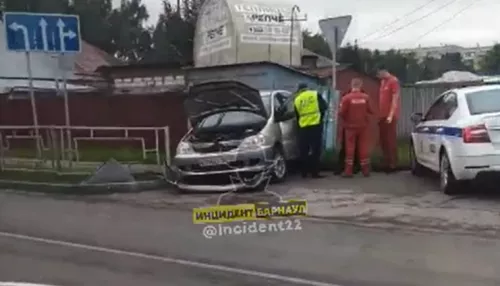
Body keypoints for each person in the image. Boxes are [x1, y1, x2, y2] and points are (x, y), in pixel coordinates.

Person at [338, 78, 374, 177]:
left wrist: (346, 119)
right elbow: (371, 110)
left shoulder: (346, 98)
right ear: (361, 85)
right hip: (363, 126)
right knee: (363, 148)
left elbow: (341, 112)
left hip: (350, 127)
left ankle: (348, 171)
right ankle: (366, 170)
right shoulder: (366, 97)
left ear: (351, 85)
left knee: (350, 149)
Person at [293, 83, 328, 178]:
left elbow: (296, 115)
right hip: (316, 125)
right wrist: (320, 119)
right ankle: (315, 173)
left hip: (303, 127)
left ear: (299, 90)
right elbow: (324, 107)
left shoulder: (297, 99)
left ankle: (304, 173)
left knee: (304, 150)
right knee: (316, 150)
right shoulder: (315, 94)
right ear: (307, 88)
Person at [376, 64, 401, 173]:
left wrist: (391, 115)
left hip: (389, 116)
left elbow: (395, 99)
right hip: (382, 115)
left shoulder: (393, 81)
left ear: (383, 71)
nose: (378, 76)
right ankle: (386, 162)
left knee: (390, 140)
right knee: (383, 140)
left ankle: (392, 164)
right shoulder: (383, 82)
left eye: (378, 73)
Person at [335, 90, 361, 175]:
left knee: (345, 148)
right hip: (358, 126)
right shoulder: (362, 98)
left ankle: (341, 168)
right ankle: (355, 167)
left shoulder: (346, 99)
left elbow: (341, 112)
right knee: (356, 147)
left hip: (348, 126)